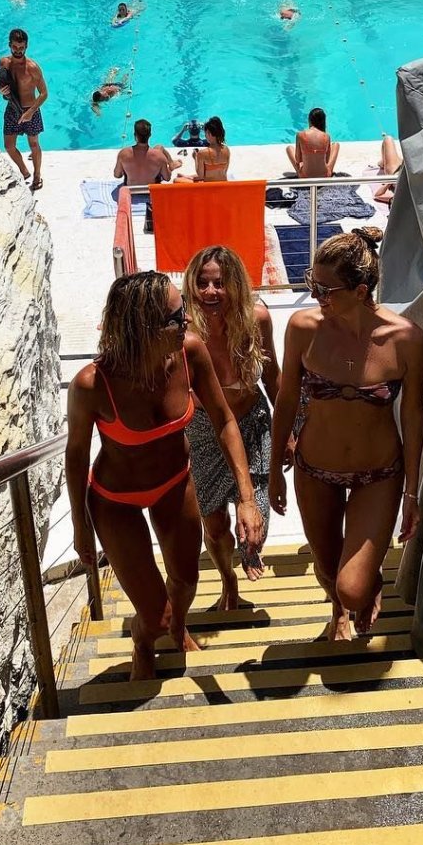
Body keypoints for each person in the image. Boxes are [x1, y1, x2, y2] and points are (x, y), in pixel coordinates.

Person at [66, 271, 264, 679]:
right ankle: (145, 640)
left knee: (186, 582)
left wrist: (247, 498)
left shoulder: (190, 352)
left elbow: (225, 421)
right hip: (115, 501)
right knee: (155, 617)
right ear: (143, 329)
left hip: (175, 484)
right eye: (176, 317)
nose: (187, 321)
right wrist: (80, 526)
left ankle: (177, 627)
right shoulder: (91, 384)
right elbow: (76, 455)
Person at [269, 230, 423, 639]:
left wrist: (412, 492)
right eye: (312, 283)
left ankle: (364, 587)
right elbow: (286, 400)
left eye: (325, 290)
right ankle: (337, 613)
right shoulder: (304, 328)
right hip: (314, 469)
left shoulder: (406, 339)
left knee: (353, 587)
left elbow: (412, 415)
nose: (315, 296)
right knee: (326, 567)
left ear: (360, 291)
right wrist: (273, 472)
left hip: (379, 474)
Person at [184, 248, 280, 605]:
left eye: (220, 283)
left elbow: (272, 375)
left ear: (236, 285)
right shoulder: (183, 330)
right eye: (202, 283)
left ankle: (249, 548)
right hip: (203, 429)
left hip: (252, 423)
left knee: (257, 524)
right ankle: (228, 580)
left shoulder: (257, 319)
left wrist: (289, 430)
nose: (210, 292)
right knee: (214, 525)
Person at [0, 27, 47, 191]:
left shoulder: (32, 67)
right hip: (12, 108)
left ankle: (37, 175)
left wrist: (30, 112)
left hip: (30, 110)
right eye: (15, 47)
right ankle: (24, 171)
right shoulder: (4, 63)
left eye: (21, 47)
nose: (18, 51)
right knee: (9, 146)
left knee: (34, 144)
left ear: (26, 47)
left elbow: (44, 93)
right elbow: (1, 83)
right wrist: (0, 90)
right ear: (9, 45)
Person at [113, 118, 180, 185]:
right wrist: (170, 169)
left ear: (135, 135)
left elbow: (117, 175)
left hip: (131, 188)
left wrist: (128, 169)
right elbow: (167, 178)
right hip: (150, 188)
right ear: (150, 135)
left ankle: (171, 163)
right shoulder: (160, 156)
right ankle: (172, 164)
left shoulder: (123, 153)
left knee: (159, 147)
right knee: (159, 147)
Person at [286, 107, 339, 178]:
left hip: (305, 176)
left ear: (309, 120)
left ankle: (300, 172)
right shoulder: (326, 136)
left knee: (289, 148)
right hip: (325, 175)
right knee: (336, 145)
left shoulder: (300, 135)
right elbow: (327, 160)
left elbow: (298, 160)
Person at [193, 116, 231, 181]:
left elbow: (200, 176)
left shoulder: (202, 153)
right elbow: (224, 172)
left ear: (209, 133)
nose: (205, 136)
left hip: (210, 186)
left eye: (205, 133)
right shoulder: (227, 150)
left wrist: (195, 158)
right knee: (188, 177)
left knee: (177, 180)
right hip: (223, 184)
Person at [373, 134, 403, 206]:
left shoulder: (399, 199)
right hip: (402, 171)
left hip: (396, 173)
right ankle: (383, 162)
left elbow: (378, 195)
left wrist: (390, 181)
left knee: (388, 139)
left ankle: (383, 162)